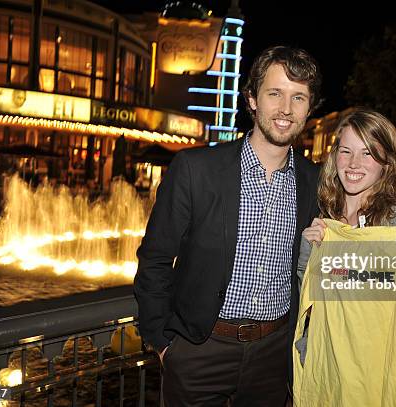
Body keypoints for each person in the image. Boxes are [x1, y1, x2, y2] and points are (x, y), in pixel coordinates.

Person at [135, 45, 322, 406]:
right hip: (199, 349)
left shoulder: (313, 181)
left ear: (309, 108)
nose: (286, 109)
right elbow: (155, 259)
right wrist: (163, 344)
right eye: (275, 94)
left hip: (273, 354)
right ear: (252, 99)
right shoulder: (196, 169)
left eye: (298, 97)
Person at [292, 108, 396, 406]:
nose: (354, 164)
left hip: (375, 382)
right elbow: (311, 297)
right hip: (327, 376)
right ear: (334, 157)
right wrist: (309, 252)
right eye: (346, 151)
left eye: (368, 153)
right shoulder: (328, 217)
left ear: (387, 164)